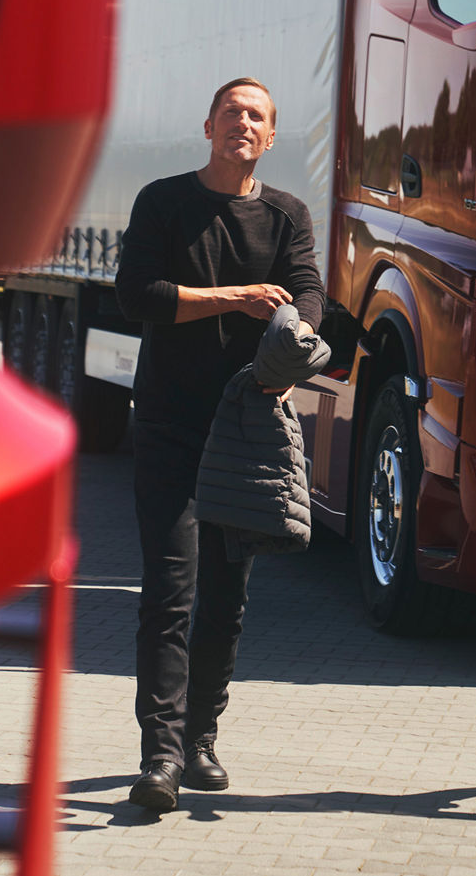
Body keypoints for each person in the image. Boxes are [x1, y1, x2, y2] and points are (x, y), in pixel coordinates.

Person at [114, 77, 324, 812]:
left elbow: (309, 292)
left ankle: (201, 733)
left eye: (256, 115)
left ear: (271, 138)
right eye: (231, 110)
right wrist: (234, 298)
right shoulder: (163, 202)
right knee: (170, 591)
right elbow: (136, 296)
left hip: (245, 432)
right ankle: (161, 754)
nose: (242, 121)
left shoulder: (287, 215)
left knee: (226, 597)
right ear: (207, 126)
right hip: (170, 423)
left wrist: (291, 344)